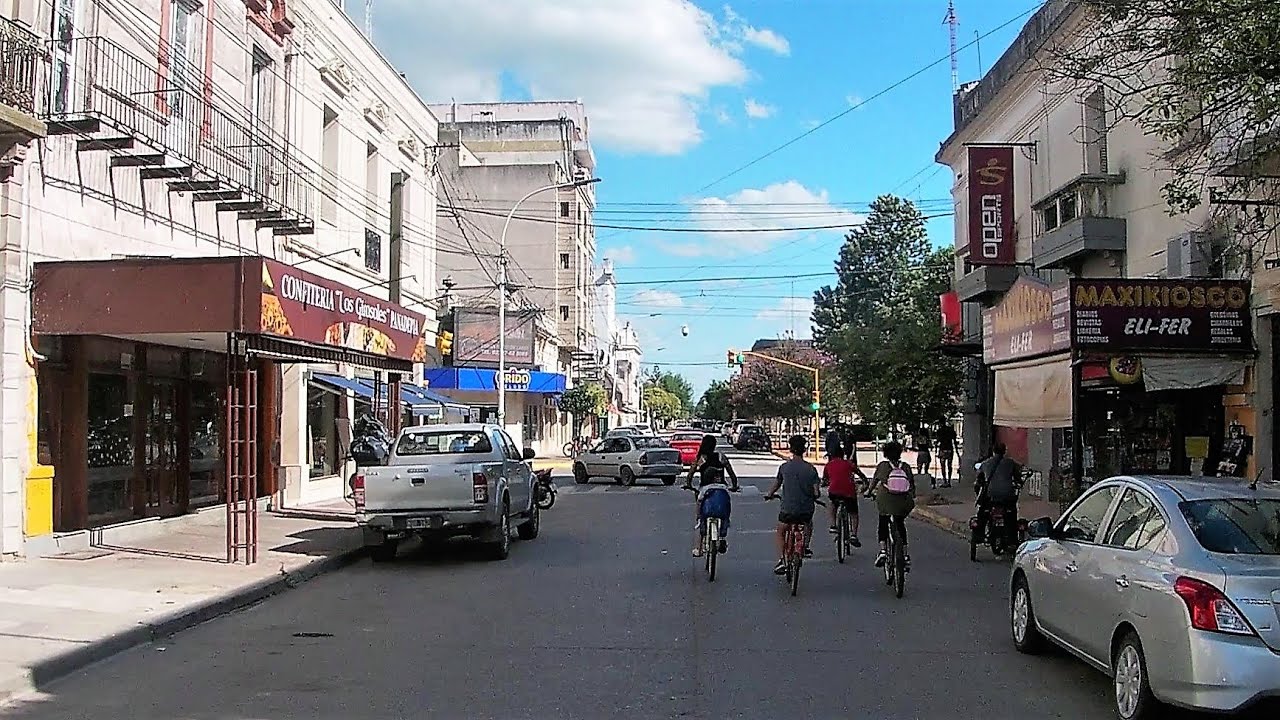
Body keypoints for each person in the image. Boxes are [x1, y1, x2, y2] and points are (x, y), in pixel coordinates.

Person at [764, 434, 822, 575]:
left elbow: (776, 485)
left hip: (788, 510)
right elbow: (816, 492)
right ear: (804, 449)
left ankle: (781, 560)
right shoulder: (811, 469)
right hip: (805, 510)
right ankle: (805, 546)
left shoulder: (784, 467)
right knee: (808, 524)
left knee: (781, 530)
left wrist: (769, 494)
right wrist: (814, 495)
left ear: (790, 449)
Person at [682, 434, 740, 557]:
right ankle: (723, 534)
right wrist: (734, 485)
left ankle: (699, 547)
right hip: (722, 488)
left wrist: (688, 484)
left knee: (701, 515)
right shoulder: (721, 457)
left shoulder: (702, 458)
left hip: (706, 489)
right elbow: (732, 474)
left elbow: (690, 474)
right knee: (726, 507)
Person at [865, 441, 916, 570]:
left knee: (883, 521)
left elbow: (874, 482)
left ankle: (883, 551)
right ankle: (905, 555)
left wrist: (868, 492)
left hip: (885, 499)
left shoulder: (883, 466)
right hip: (904, 501)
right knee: (900, 524)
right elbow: (912, 485)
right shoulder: (906, 467)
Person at [975, 442, 1022, 548]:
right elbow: (1018, 477)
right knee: (1011, 514)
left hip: (991, 496)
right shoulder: (1010, 463)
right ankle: (1012, 538)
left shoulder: (986, 463)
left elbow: (979, 479)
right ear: (1004, 451)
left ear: (993, 451)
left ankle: (979, 534)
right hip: (1007, 496)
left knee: (982, 513)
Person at [824, 443, 865, 546]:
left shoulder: (828, 465)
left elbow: (825, 479)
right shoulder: (848, 463)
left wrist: (827, 482)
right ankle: (854, 535)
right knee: (854, 513)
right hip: (849, 492)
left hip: (834, 491)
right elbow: (859, 473)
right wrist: (865, 481)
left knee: (832, 503)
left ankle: (833, 524)